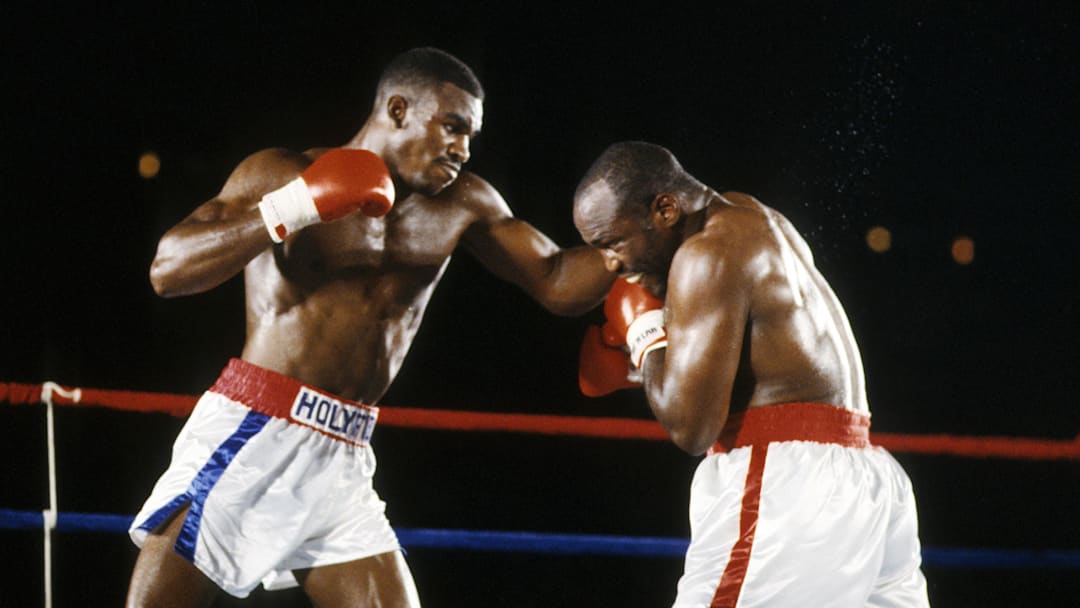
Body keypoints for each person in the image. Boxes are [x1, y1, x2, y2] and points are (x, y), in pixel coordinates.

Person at [126, 47, 614, 607]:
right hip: (254, 429)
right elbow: (168, 271)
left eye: (471, 136)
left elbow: (555, 279)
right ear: (399, 109)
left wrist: (645, 248)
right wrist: (295, 205)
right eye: (452, 127)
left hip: (345, 450)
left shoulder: (465, 204)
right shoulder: (285, 173)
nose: (463, 149)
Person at [574, 141, 929, 607]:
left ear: (665, 208)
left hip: (787, 492)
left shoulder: (707, 255)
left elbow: (691, 427)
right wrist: (647, 372)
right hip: (870, 483)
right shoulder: (749, 216)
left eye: (613, 242)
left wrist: (644, 334)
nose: (612, 264)